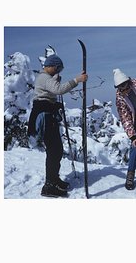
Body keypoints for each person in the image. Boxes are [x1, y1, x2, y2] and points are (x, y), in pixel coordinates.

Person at [28, 54, 88, 198]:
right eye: (57, 68)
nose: (58, 71)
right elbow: (58, 90)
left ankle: (54, 180)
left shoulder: (46, 78)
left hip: (48, 115)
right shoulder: (44, 78)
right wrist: (76, 80)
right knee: (54, 150)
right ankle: (49, 185)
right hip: (46, 117)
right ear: (53, 66)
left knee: (56, 150)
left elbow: (51, 92)